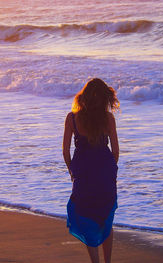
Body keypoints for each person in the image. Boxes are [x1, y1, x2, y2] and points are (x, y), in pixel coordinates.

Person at [62, 78, 120, 263]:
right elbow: (116, 151)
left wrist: (73, 171)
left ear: (83, 96)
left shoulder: (72, 118)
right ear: (105, 99)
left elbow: (65, 150)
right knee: (106, 219)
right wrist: (110, 171)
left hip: (83, 176)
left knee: (86, 217)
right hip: (105, 174)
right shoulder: (108, 119)